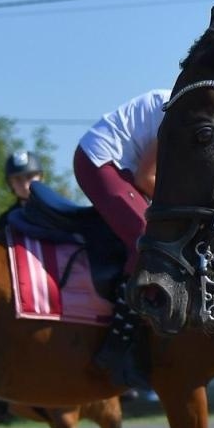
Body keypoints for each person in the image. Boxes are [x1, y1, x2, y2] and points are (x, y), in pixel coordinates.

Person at [74, 89, 169, 388]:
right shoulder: (182, 110)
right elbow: (147, 179)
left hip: (124, 167)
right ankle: (117, 350)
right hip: (101, 161)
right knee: (147, 241)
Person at [0, 149, 44, 231]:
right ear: (10, 183)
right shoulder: (5, 221)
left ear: (40, 178)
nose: (25, 185)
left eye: (29, 177)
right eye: (18, 179)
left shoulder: (54, 215)